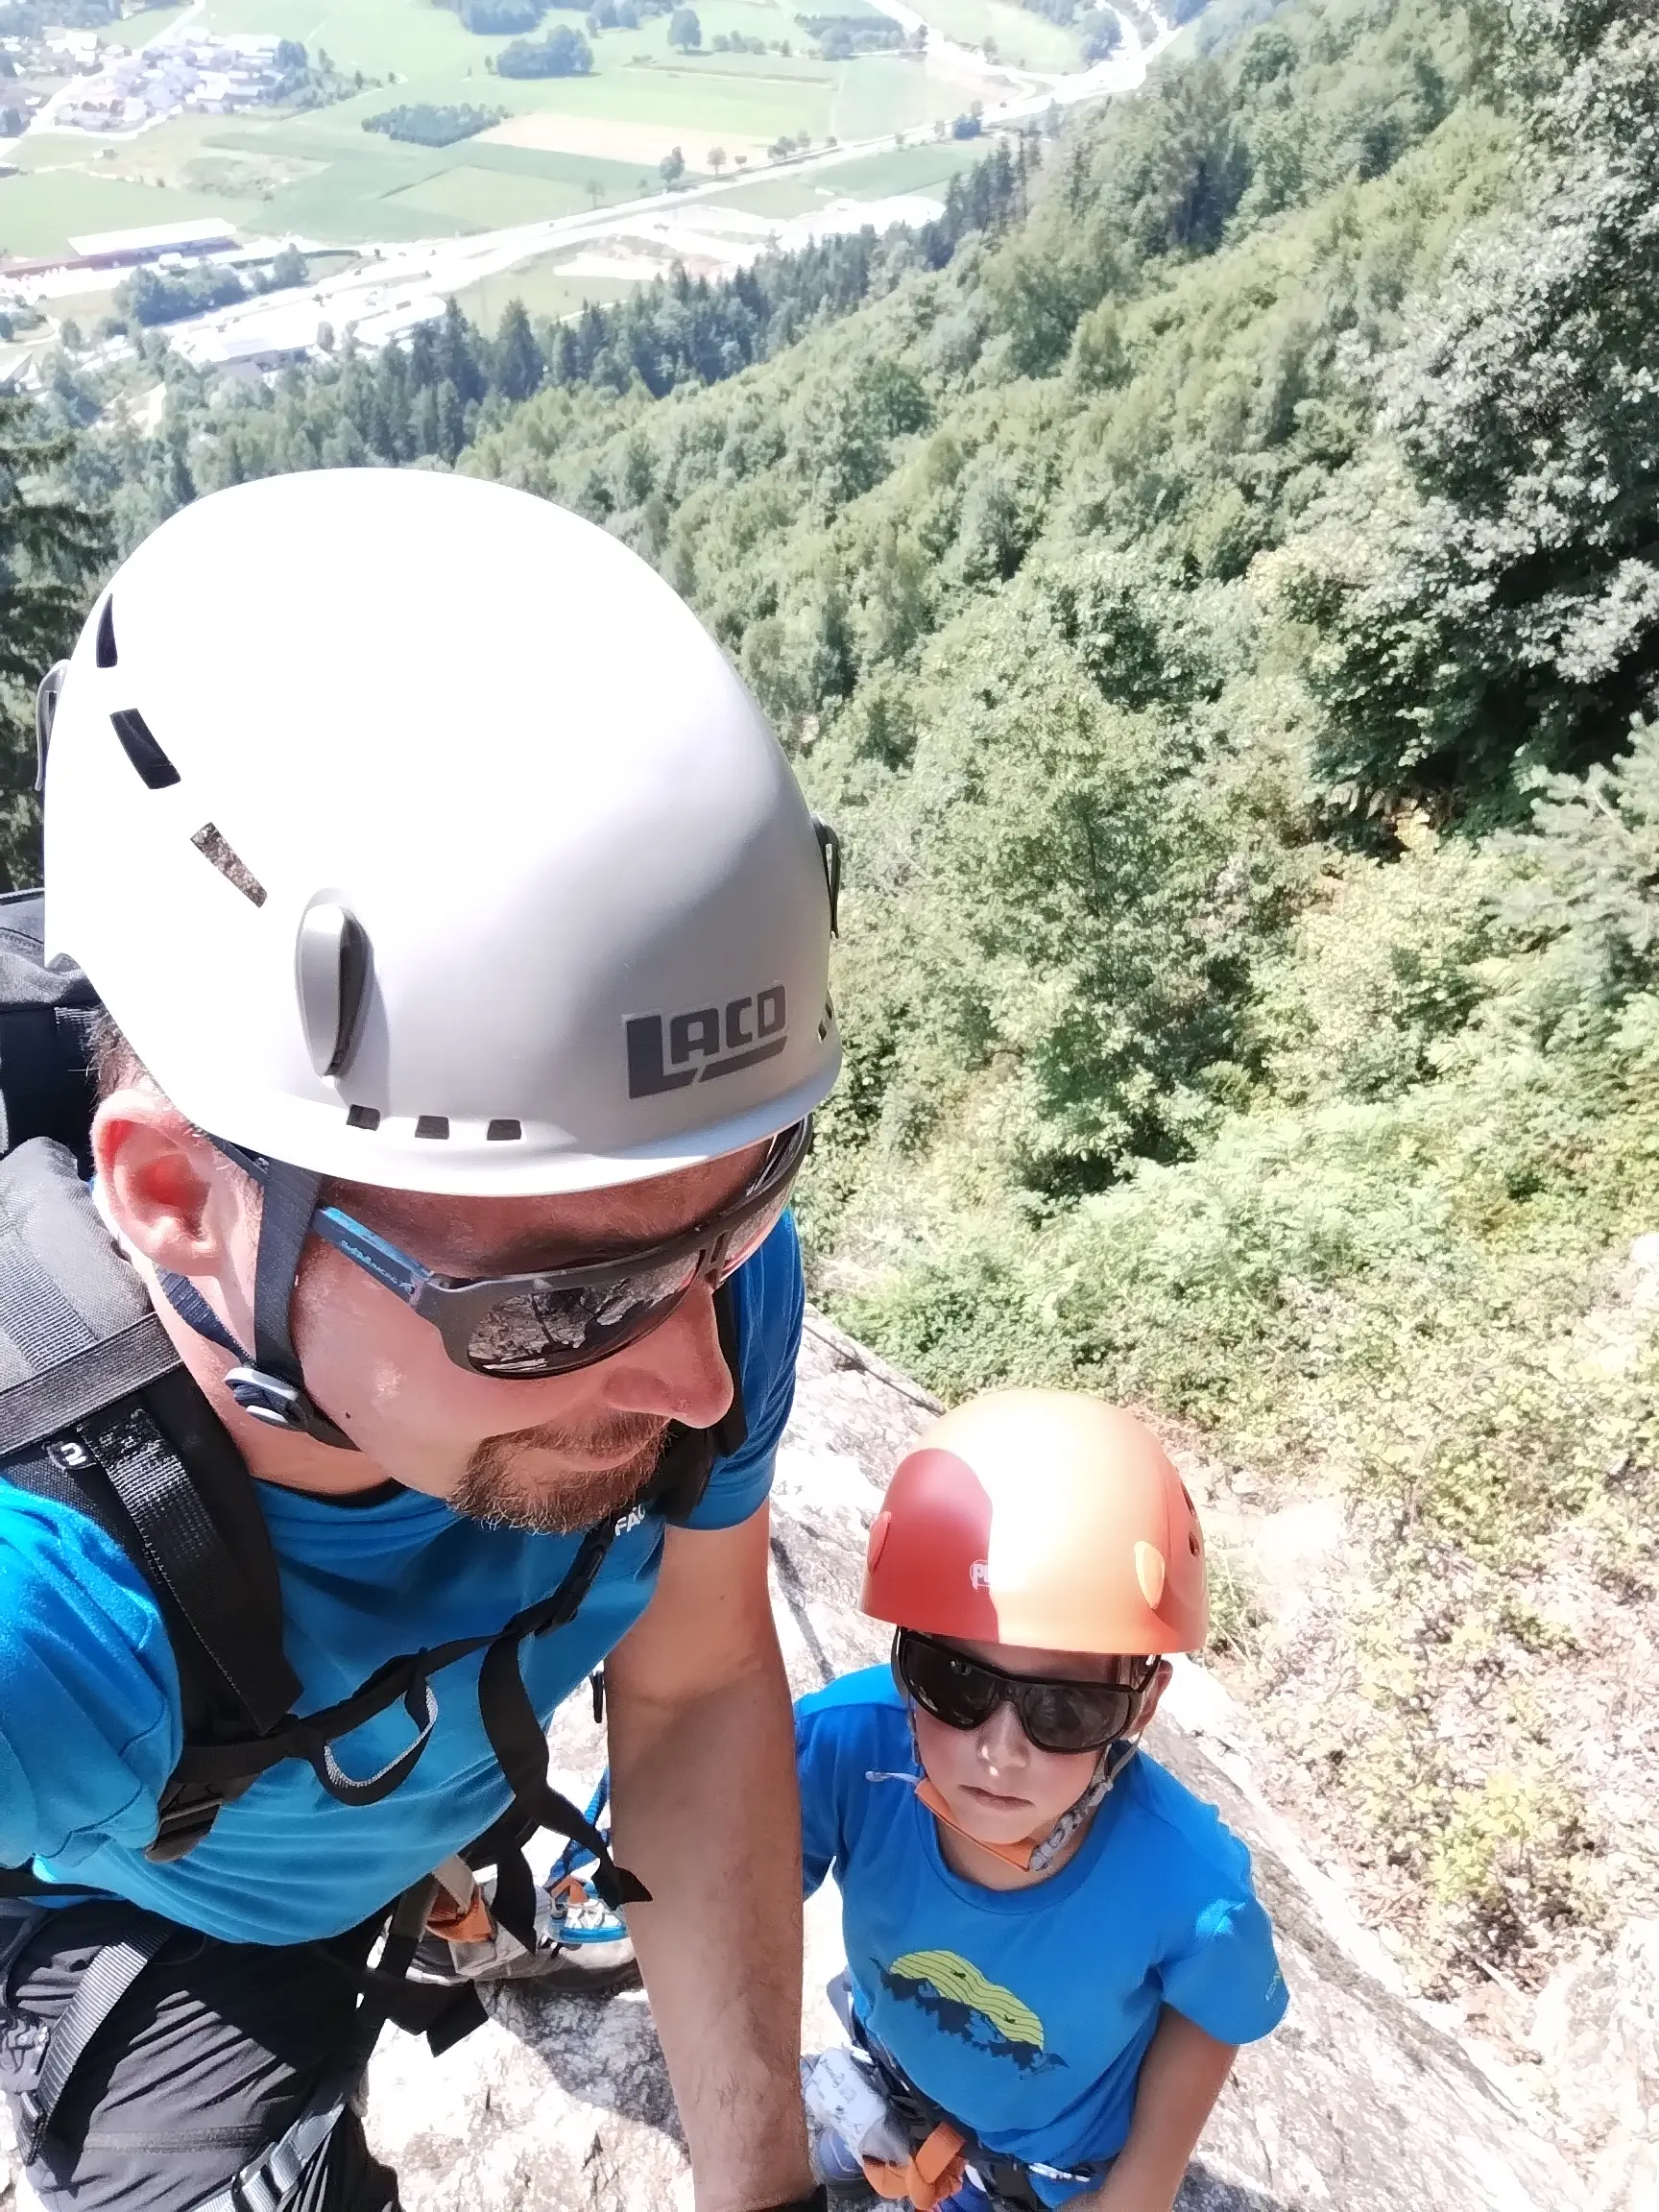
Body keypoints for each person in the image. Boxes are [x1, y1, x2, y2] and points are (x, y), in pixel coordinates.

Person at [0, 468, 841, 2212]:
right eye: (558, 1303)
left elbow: (685, 1682)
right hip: (180, 1903)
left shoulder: (686, 1273)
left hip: (409, 1769)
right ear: (174, 1202)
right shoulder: (45, 1626)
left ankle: (451, 1882)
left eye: (749, 1196)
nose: (700, 1371)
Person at [795, 1390, 1288, 2211]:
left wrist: (1143, 2186)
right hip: (896, 2066)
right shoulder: (843, 1748)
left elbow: (1213, 2010)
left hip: (1044, 2165)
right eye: (953, 1682)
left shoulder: (1190, 1889)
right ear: (905, 1659)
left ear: (1143, 1701)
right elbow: (740, 1893)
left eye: (1065, 1709)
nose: (999, 1750)